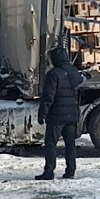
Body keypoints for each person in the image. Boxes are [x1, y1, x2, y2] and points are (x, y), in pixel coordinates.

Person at [35, 47, 84, 180]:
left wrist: (42, 114)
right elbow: (80, 85)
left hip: (56, 116)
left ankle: (49, 171)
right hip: (72, 115)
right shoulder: (74, 72)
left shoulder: (53, 74)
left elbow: (48, 97)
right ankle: (70, 171)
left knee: (51, 143)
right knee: (70, 144)